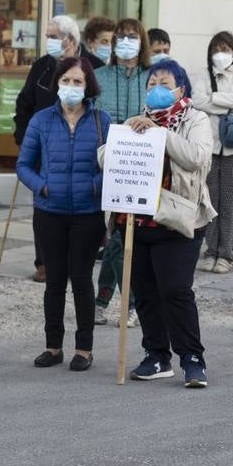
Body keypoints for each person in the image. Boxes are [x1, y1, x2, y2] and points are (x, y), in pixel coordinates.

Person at [119, 61, 217, 388]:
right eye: (151, 83)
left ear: (181, 89)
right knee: (145, 292)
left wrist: (159, 133)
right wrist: (126, 136)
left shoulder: (195, 119)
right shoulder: (137, 120)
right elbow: (107, 156)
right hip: (139, 220)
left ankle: (191, 358)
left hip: (180, 218)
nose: (156, 88)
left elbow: (197, 157)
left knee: (175, 290)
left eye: (164, 82)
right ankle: (156, 355)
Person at [15, 57, 111, 372]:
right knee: (54, 281)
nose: (71, 87)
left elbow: (113, 165)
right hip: (49, 212)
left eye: (78, 81)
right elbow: (24, 165)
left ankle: (84, 348)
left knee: (82, 279)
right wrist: (42, 187)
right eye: (66, 80)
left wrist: (95, 186)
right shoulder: (41, 121)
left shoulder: (102, 121)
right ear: (58, 83)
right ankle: (52, 346)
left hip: (87, 213)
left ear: (89, 86)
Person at [14, 14, 84, 283]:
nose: (49, 41)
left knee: (78, 203)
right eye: (48, 36)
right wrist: (22, 137)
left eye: (54, 36)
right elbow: (24, 103)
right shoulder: (42, 66)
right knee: (43, 204)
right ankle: (45, 262)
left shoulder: (89, 65)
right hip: (43, 144)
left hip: (80, 143)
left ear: (70, 40)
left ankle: (73, 260)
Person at [92, 18, 151, 327]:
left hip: (145, 167)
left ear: (142, 42)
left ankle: (108, 301)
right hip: (109, 163)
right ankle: (123, 303)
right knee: (116, 236)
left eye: (132, 36)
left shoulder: (151, 77)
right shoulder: (99, 77)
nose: (126, 41)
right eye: (121, 36)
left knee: (122, 237)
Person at [191, 31, 233, 273]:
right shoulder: (204, 73)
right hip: (210, 142)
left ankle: (225, 254)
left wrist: (215, 98)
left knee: (229, 201)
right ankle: (210, 251)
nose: (221, 54)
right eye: (216, 49)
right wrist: (231, 100)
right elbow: (197, 101)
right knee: (209, 200)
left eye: (226, 49)